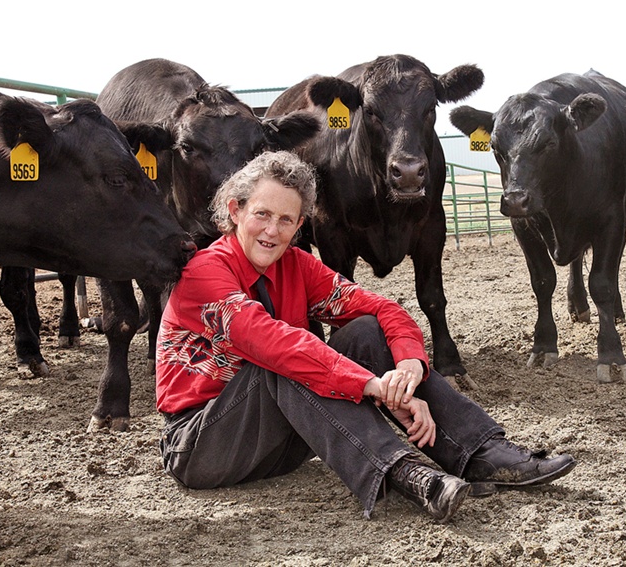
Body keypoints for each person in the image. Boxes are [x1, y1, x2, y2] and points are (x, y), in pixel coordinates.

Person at [155, 150, 575, 522]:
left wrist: (409, 365)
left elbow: (383, 309)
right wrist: (375, 387)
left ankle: (481, 454)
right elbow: (274, 345)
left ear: (300, 224)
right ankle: (407, 474)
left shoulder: (297, 265)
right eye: (262, 214)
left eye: (286, 219)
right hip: (201, 446)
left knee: (366, 331)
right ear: (235, 210)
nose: (272, 230)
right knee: (285, 362)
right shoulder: (203, 272)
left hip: (287, 439)